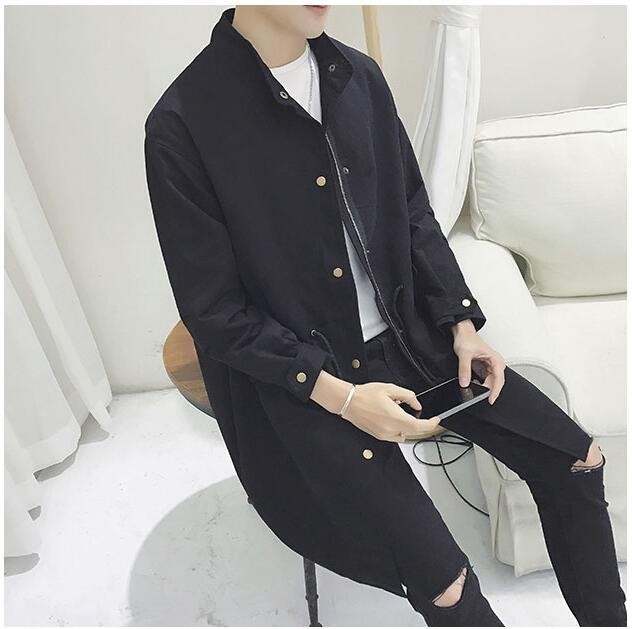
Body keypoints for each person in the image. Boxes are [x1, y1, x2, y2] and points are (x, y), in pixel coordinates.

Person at [144, 5, 626, 626]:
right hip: (308, 381)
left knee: (577, 460)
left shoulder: (358, 77)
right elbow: (214, 312)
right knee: (445, 583)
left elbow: (411, 210)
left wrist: (461, 324)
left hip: (412, 341)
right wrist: (345, 399)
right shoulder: (183, 123)